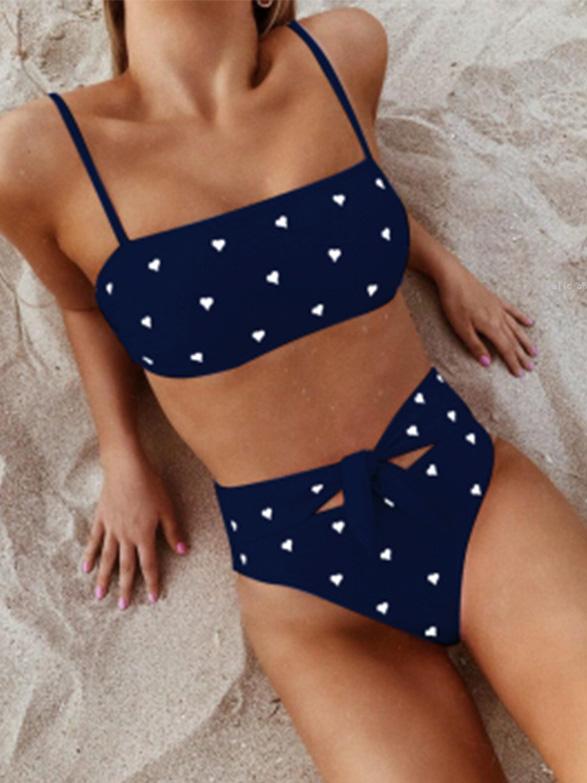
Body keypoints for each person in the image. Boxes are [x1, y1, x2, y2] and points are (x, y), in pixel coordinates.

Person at [0, 2, 585, 780]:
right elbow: (85, 304)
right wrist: (122, 454)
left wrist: (442, 265)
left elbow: (351, 189)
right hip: (308, 589)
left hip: (469, 494)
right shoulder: (37, 154)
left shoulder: (341, 52)